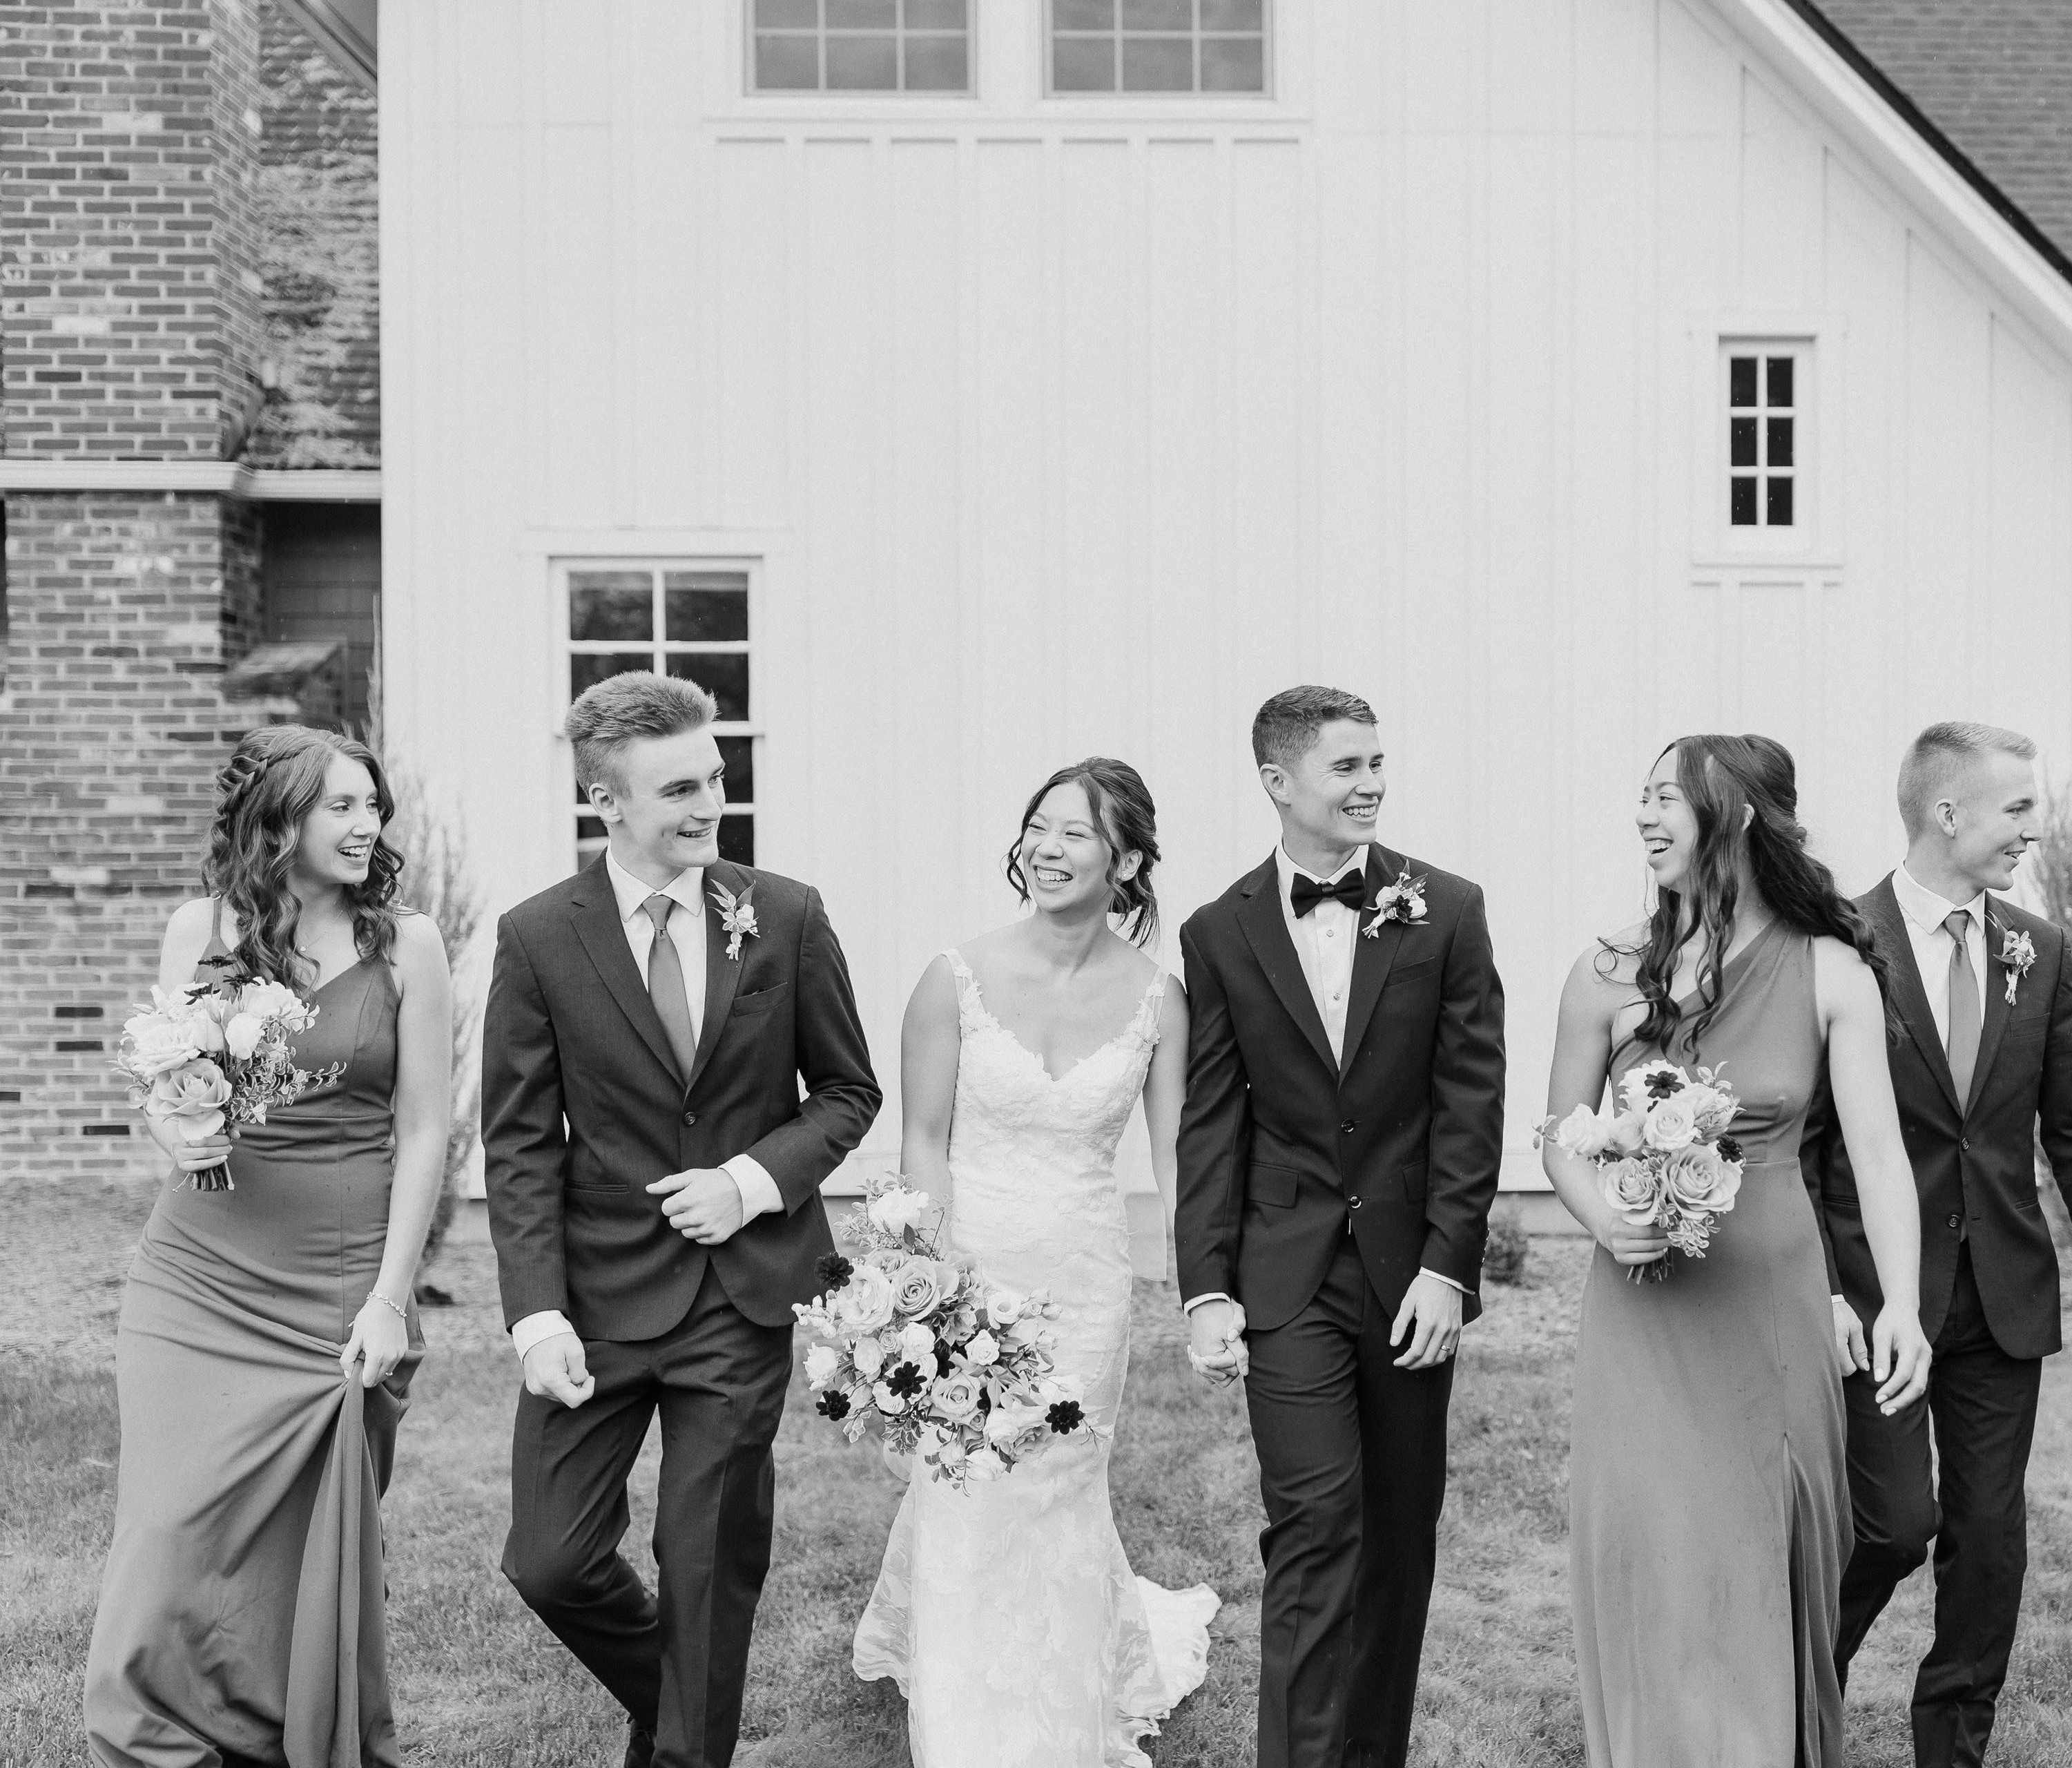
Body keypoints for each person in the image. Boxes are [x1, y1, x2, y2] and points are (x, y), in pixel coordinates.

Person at [483, 671, 881, 1768]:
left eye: (715, 777)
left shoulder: (785, 913)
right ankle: (684, 1700)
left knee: (706, 1562)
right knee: (549, 1562)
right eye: (678, 789)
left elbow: (848, 1091)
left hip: (740, 1294)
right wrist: (537, 1319)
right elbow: (519, 1145)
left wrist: (751, 1179)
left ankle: (687, 1744)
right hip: (598, 1301)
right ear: (605, 802)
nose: (710, 804)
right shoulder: (537, 939)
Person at [1544, 732, 1931, 1767]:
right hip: (1644, 1305)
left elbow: (1882, 1159)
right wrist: (1603, 1216)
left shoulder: (1832, 972)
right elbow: (1558, 1135)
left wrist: (1900, 1303)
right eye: (1641, 798)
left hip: (1770, 1300)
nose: (1646, 817)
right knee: (1659, 1554)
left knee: (1759, 1552)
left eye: (1668, 798)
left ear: (1740, 815)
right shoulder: (1608, 972)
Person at [86, 727, 454, 1767]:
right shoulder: (199, 927)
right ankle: (154, 1738)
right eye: (341, 805)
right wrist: (175, 1124)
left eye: (372, 806)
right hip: (197, 1273)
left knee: (304, 1549)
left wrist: (391, 1298)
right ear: (280, 818)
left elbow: (423, 1128)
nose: (366, 825)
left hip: (341, 1279)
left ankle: (284, 1734)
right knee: (167, 1532)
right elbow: (167, 1085)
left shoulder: (405, 945)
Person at [1800, 720, 2072, 1768]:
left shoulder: (2037, 951)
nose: (2031, 832)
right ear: (1947, 812)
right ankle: (1794, 1687)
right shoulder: (1836, 942)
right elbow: (1805, 1145)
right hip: (1875, 1302)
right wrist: (1821, 1288)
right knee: (1893, 1525)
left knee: (1990, 1542)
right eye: (2016, 810)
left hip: (2002, 1291)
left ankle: (1951, 1746)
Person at [853, 757, 1220, 1763]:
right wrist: (921, 1290)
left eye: (1076, 833)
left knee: (1060, 1476)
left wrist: (1206, 1289)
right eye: (1038, 828)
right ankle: (967, 1714)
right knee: (969, 1484)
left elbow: (1181, 1158)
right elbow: (921, 1140)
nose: (1046, 849)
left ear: (1130, 861)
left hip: (1086, 1279)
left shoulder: (1159, 999)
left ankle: (1063, 1702)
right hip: (968, 1272)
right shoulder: (954, 976)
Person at [1173, 686, 1508, 1768]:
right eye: (1346, 767)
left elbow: (1470, 1102)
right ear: (1279, 783)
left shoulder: (1447, 909)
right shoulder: (1219, 930)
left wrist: (1448, 1267)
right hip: (1289, 1275)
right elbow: (1213, 1121)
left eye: (1378, 764)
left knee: (1398, 1540)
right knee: (1315, 1524)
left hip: (1410, 1277)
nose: (1371, 785)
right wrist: (1207, 1287)